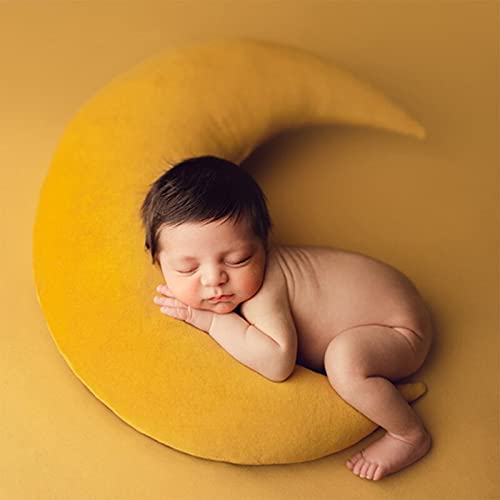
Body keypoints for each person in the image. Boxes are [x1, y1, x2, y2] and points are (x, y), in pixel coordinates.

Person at [140, 155, 434, 481]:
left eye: (238, 260)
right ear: (157, 261)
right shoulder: (225, 276)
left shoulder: (265, 288)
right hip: (394, 298)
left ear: (264, 245)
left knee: (344, 361)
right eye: (187, 268)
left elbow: (277, 362)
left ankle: (408, 435)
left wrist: (211, 321)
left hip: (400, 330)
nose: (213, 279)